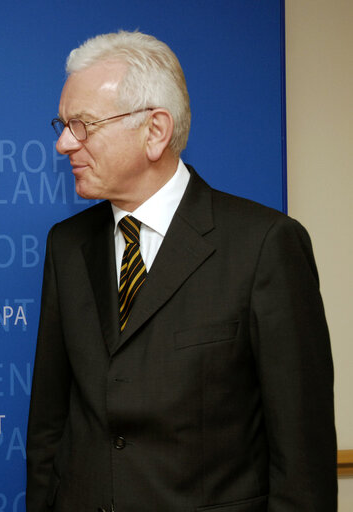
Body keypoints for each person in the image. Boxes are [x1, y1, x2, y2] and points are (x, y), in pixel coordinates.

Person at [26, 31, 336, 511]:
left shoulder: (264, 245)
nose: (65, 143)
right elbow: (50, 424)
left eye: (83, 124)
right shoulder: (66, 246)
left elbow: (302, 458)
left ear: (155, 131)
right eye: (63, 125)